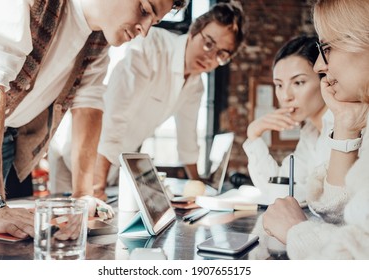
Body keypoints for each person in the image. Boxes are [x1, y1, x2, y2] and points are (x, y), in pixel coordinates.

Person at [0, 0, 187, 238]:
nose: (145, 29)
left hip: (2, 135)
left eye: (155, 21)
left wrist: (83, 194)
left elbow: (88, 106)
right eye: (144, 10)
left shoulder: (97, 40)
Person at [48, 0, 246, 200]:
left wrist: (199, 190)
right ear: (194, 31)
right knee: (65, 222)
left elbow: (188, 140)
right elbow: (115, 117)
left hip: (113, 164)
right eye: (208, 43)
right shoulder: (151, 47)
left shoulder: (196, 86)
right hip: (74, 155)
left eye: (222, 54)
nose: (210, 56)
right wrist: (97, 185)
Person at [262, 0, 369, 259]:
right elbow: (342, 217)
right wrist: (346, 122)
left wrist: (297, 231)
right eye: (278, 85)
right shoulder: (326, 127)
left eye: (328, 47)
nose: (320, 67)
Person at [243, 35, 333, 203]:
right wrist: (253, 136)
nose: (286, 96)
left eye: (298, 82)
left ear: (324, 79)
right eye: (279, 85)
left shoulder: (347, 128)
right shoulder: (310, 134)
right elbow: (278, 190)